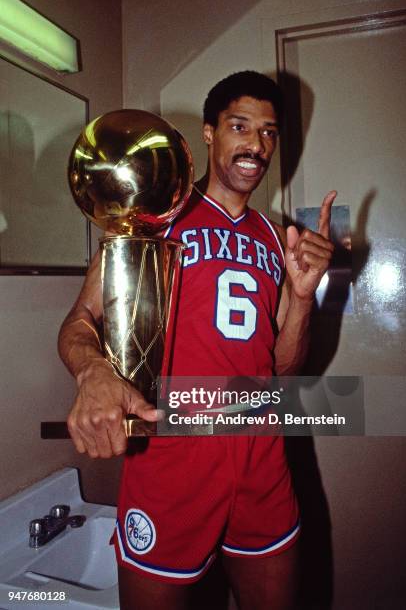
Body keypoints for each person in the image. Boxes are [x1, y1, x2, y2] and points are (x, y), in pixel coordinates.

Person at [58, 71, 336, 610]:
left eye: (270, 132)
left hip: (261, 458)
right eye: (240, 126)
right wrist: (92, 374)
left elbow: (283, 370)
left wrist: (301, 298)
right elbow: (79, 322)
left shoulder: (274, 239)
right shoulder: (155, 215)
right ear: (208, 134)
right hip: (172, 460)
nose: (257, 144)